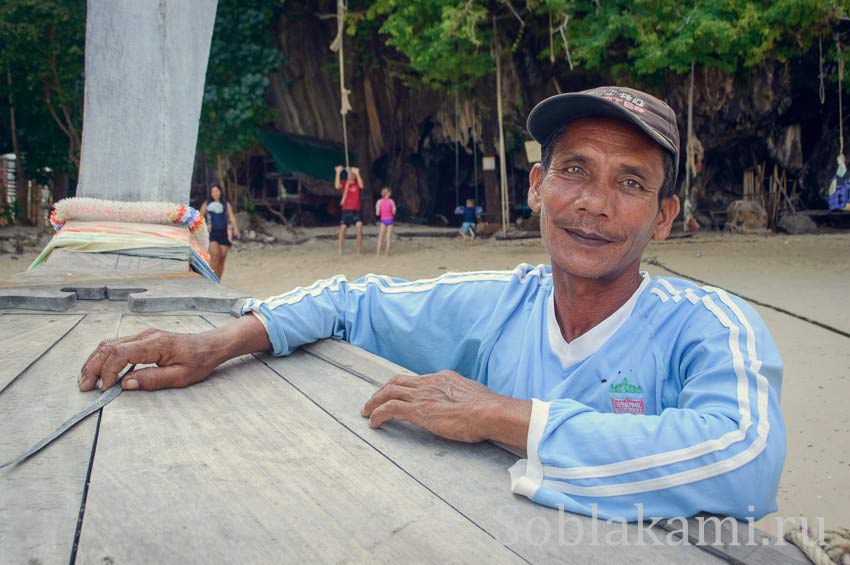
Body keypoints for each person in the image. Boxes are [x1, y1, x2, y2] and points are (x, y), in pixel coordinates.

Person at [78, 86, 785, 522]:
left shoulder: (709, 325)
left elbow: (744, 461)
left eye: (631, 184)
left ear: (664, 218)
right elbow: (351, 300)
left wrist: (498, 415)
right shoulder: (498, 302)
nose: (594, 204)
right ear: (537, 186)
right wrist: (217, 343)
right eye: (575, 170)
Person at [199, 183, 240, 279]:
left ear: (220, 192)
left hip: (223, 233)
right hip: (212, 233)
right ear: (210, 193)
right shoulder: (207, 203)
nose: (215, 193)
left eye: (217, 191)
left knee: (222, 258)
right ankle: (211, 280)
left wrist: (235, 228)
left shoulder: (226, 204)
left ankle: (218, 281)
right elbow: (199, 216)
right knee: (215, 256)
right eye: (213, 191)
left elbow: (231, 216)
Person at [334, 165, 365, 255]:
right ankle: (340, 249)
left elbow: (362, 186)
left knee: (359, 227)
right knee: (342, 229)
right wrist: (338, 173)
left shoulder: (357, 183)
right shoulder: (344, 183)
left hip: (356, 210)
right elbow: (336, 186)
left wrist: (357, 173)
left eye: (353, 175)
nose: (351, 176)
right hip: (346, 210)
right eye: (350, 174)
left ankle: (358, 250)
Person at [375, 187, 397, 256]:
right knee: (388, 237)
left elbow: (377, 213)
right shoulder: (391, 201)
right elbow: (393, 212)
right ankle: (387, 253)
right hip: (390, 220)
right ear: (389, 194)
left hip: (383, 221)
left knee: (380, 237)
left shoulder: (379, 201)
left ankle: (378, 253)